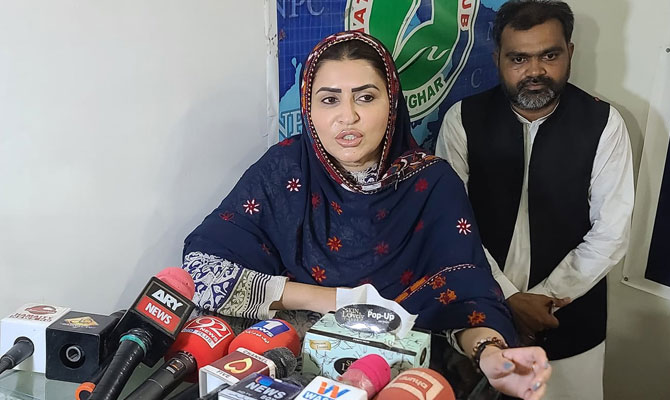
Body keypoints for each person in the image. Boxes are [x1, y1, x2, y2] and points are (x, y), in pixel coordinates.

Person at [182, 31, 551, 399]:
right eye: (329, 100)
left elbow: (466, 298)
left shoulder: (432, 184)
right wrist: (333, 300)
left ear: (392, 104)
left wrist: (490, 354)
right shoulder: (283, 171)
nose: (348, 116)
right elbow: (200, 271)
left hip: (397, 380)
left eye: (366, 97)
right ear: (309, 110)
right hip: (287, 373)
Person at [435, 1, 634, 399]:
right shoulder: (463, 119)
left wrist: (543, 300)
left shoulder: (603, 124)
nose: (535, 71)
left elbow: (612, 232)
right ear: (498, 60)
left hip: (571, 321)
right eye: (519, 58)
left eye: (550, 55)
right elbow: (448, 222)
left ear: (570, 53)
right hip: (480, 315)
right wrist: (508, 297)